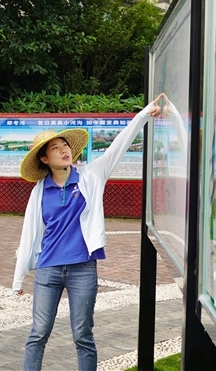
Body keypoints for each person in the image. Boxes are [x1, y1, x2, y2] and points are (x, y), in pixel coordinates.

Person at [13, 95, 164, 371]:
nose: (64, 151)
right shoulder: (39, 191)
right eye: (56, 148)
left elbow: (118, 146)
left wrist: (143, 115)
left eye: (65, 146)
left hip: (82, 268)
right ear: (44, 159)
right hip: (48, 270)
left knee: (83, 335)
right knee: (38, 334)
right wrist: (18, 278)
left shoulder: (91, 176)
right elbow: (29, 234)